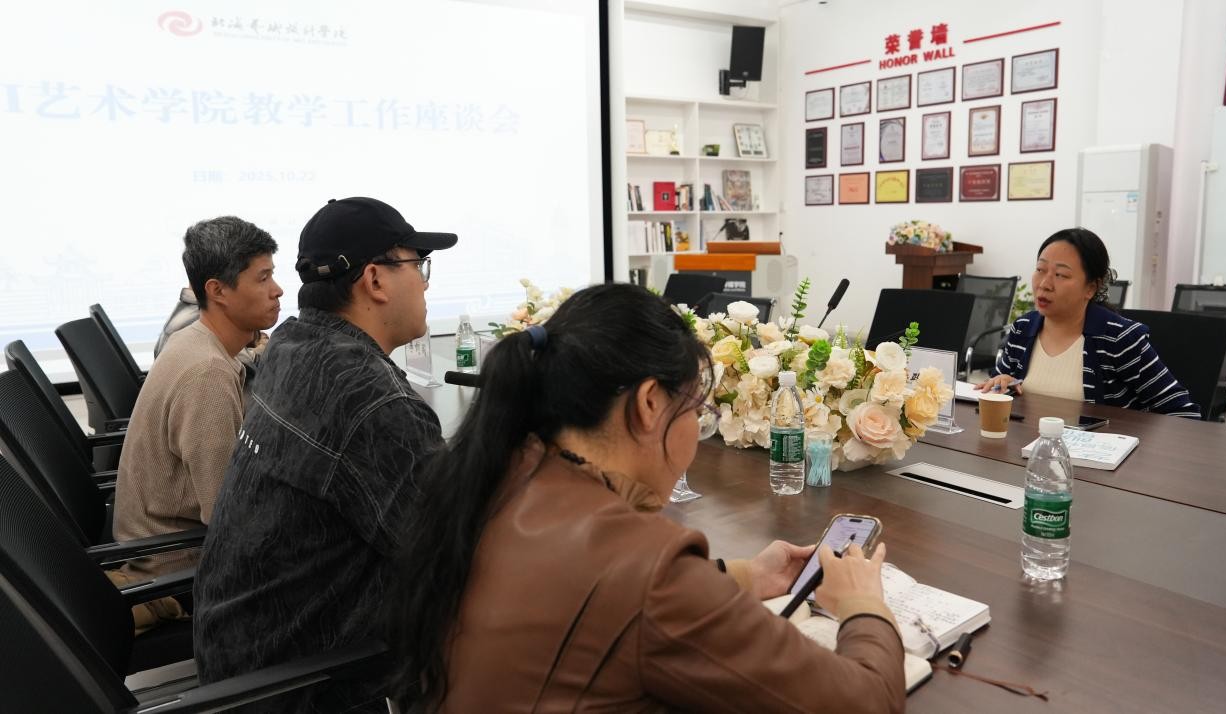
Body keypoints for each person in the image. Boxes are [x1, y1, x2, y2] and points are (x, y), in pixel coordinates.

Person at [389, 283, 906, 712]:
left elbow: (609, 596)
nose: (696, 430)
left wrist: (747, 576)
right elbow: (867, 703)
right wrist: (863, 604)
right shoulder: (648, 567)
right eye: (696, 409)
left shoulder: (498, 473)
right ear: (649, 403)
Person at [193, 197, 456, 712]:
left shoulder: (293, 344)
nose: (424, 284)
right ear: (375, 280)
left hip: (240, 661)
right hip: (302, 688)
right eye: (418, 265)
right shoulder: (371, 400)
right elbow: (458, 554)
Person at [112, 216, 282, 589]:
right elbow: (229, 514)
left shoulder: (195, 340)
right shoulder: (208, 374)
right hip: (179, 568)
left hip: (174, 547)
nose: (277, 290)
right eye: (263, 278)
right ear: (218, 291)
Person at [978, 227, 1200, 417]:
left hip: (1096, 453)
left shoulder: (1119, 339)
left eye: (1061, 275)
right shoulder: (1023, 329)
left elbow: (1182, 412)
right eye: (1040, 270)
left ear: (1091, 288)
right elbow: (996, 390)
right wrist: (1002, 383)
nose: (1044, 284)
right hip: (1027, 448)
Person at [154, 285, 269, 367]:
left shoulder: (184, 311)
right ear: (215, 288)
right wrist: (266, 346)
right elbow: (250, 362)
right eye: (262, 279)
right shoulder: (199, 321)